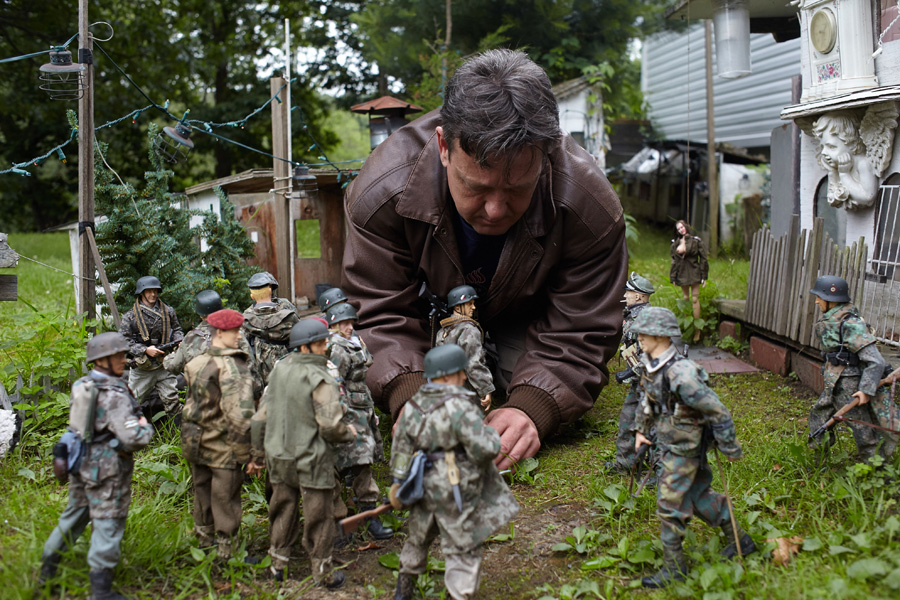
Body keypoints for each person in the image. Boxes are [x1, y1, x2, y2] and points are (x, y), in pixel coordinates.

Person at [342, 49, 628, 470]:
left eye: (516, 189)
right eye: (476, 186)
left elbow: (584, 326)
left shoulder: (589, 207)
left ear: (546, 155)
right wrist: (409, 390)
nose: (495, 210)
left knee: (516, 389)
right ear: (443, 145)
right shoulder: (383, 191)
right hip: (427, 320)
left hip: (529, 318)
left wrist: (532, 409)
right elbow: (378, 309)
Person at [631, 307, 756, 588]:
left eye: (643, 333)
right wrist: (641, 430)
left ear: (660, 335)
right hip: (671, 442)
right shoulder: (653, 364)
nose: (639, 338)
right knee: (699, 496)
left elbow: (718, 411)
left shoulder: (682, 375)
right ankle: (741, 541)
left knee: (668, 505)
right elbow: (649, 401)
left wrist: (729, 447)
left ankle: (674, 569)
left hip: (684, 449)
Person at [389, 344, 518, 600]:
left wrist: (399, 480)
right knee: (462, 544)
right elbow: (483, 449)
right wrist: (492, 437)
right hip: (454, 485)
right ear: (447, 375)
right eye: (460, 372)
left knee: (418, 535)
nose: (463, 377)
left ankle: (404, 588)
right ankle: (457, 594)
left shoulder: (415, 404)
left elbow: (401, 447)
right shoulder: (460, 407)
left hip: (422, 483)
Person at [36, 332, 153, 600]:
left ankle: (46, 573)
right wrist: (146, 429)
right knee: (107, 523)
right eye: (118, 356)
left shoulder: (82, 384)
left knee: (73, 516)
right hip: (108, 469)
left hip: (81, 462)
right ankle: (101, 592)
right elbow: (132, 438)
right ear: (102, 360)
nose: (124, 359)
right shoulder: (114, 394)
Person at [247, 319, 356, 587]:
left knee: (282, 509)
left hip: (279, 456)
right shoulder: (322, 378)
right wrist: (348, 433)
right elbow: (330, 426)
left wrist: (258, 455)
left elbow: (260, 418)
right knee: (318, 515)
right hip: (312, 458)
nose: (326, 346)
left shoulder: (278, 372)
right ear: (305, 348)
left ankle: (278, 564)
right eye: (321, 343)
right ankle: (323, 570)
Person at [181, 309, 255, 561]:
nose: (239, 335)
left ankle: (203, 543)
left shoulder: (196, 363)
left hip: (195, 442)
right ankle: (228, 553)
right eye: (235, 331)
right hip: (223, 445)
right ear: (220, 333)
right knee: (226, 498)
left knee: (202, 493)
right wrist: (248, 454)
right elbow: (240, 416)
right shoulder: (233, 368)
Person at [808, 275, 898, 460]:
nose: (817, 301)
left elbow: (875, 361)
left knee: (862, 430)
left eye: (820, 297)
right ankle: (818, 463)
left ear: (831, 299)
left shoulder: (851, 324)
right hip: (835, 383)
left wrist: (865, 390)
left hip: (849, 385)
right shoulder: (834, 318)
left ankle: (879, 472)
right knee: (819, 419)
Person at [324, 302, 393, 540]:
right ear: (333, 324)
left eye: (351, 322)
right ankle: (340, 521)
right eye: (343, 323)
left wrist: (369, 410)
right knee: (342, 463)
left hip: (362, 407)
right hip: (347, 412)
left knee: (364, 461)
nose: (349, 327)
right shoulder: (336, 348)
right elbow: (335, 384)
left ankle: (367, 513)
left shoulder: (354, 342)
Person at [607, 272, 656, 474]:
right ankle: (626, 464)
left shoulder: (648, 320)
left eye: (628, 291)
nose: (625, 295)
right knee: (627, 421)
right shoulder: (631, 315)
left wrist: (630, 372)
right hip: (638, 382)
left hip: (651, 383)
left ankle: (658, 471)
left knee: (653, 428)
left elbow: (653, 353)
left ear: (638, 296)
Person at [119, 275, 184, 418]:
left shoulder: (168, 311)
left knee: (172, 401)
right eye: (149, 291)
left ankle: (178, 432)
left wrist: (179, 340)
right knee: (131, 403)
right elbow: (123, 341)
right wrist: (145, 350)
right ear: (141, 293)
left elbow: (177, 329)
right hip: (143, 368)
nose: (153, 294)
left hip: (164, 364)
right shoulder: (131, 317)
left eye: (155, 291)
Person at [435, 285, 494, 411]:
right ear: (457, 307)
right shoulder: (469, 330)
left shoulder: (442, 331)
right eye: (469, 304)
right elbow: (473, 364)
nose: (473, 307)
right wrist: (485, 389)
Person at [242, 271, 299, 400]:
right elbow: (298, 331)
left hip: (259, 362)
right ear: (271, 289)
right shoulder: (287, 308)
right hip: (285, 359)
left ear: (252, 295)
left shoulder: (247, 315)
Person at [669, 220, 708, 343]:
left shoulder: (696, 241)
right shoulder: (675, 244)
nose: (681, 229)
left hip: (694, 272)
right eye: (678, 228)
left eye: (682, 227)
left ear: (686, 226)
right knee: (685, 299)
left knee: (695, 299)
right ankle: (688, 328)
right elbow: (674, 261)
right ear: (677, 231)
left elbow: (703, 259)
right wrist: (673, 277)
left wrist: (704, 276)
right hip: (682, 273)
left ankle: (697, 330)